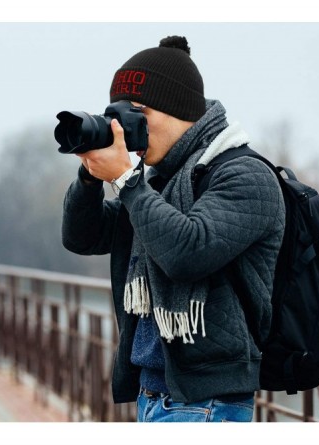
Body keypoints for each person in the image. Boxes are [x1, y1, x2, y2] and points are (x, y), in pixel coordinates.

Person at [62, 35, 285, 422]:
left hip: (207, 402)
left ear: (181, 111)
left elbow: (187, 252)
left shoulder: (245, 175)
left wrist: (129, 182)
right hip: (154, 394)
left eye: (139, 114)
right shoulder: (162, 182)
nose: (128, 128)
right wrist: (89, 177)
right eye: (118, 116)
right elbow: (83, 237)